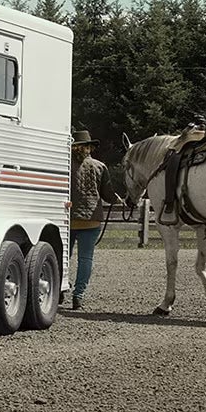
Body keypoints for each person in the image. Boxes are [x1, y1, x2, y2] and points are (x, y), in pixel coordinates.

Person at [68, 130, 116, 309]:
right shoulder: (100, 166)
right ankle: (78, 295)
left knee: (64, 257)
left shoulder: (66, 166)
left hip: (69, 218)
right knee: (85, 258)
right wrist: (119, 200)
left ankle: (59, 288)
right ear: (89, 148)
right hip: (91, 219)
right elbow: (108, 194)